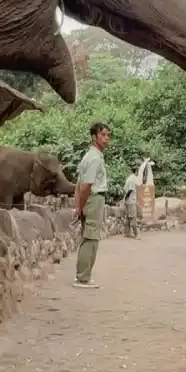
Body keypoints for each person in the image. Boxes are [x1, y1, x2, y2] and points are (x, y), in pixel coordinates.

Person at [74, 122, 112, 289]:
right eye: (103, 135)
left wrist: (79, 206)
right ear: (94, 137)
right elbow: (85, 186)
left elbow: (79, 184)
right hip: (94, 198)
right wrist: (80, 207)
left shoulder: (89, 156)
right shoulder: (94, 158)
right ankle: (83, 277)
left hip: (91, 198)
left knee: (89, 237)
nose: (106, 139)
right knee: (91, 238)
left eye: (108, 135)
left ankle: (83, 276)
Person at [122, 165, 140, 239]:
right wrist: (126, 198)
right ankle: (136, 234)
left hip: (127, 201)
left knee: (128, 217)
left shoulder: (129, 178)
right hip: (131, 200)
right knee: (133, 218)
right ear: (136, 171)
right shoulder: (133, 179)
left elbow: (125, 189)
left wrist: (124, 199)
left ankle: (127, 233)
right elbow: (130, 190)